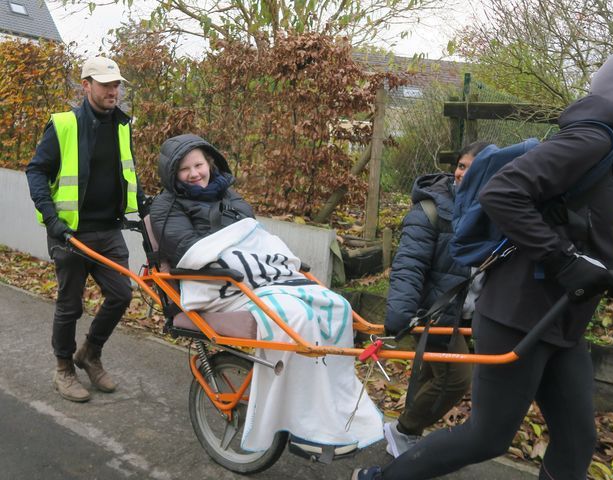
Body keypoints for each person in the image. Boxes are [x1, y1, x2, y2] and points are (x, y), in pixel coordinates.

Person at [352, 50, 613, 480]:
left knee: (577, 439)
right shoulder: (592, 140)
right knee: (487, 436)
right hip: (519, 314)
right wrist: (564, 261)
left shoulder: (612, 150)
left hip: (562, 319)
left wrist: (602, 258)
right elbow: (503, 193)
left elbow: (566, 214)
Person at [150, 133, 383, 453]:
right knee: (294, 317)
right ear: (172, 174)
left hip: (251, 277)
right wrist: (238, 257)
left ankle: (335, 411)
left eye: (199, 165)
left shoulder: (229, 194)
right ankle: (303, 426)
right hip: (215, 284)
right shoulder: (166, 205)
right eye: (185, 169)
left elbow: (252, 236)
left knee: (335, 305)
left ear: (210, 164)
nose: (194, 174)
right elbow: (188, 249)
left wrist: (268, 260)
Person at [26, 56, 146, 403]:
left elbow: (125, 173)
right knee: (70, 305)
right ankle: (64, 369)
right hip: (70, 234)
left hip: (109, 231)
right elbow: (36, 171)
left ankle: (89, 354)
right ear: (86, 86)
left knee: (121, 294)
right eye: (106, 84)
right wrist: (51, 219)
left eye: (116, 84)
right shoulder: (63, 124)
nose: (114, 90)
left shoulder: (122, 125)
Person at [383, 141, 489, 458]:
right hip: (435, 313)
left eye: (472, 168)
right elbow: (409, 264)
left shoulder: (495, 212)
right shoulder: (431, 210)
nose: (461, 173)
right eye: (460, 165)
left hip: (469, 313)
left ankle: (405, 431)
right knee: (455, 378)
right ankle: (403, 430)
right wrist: (401, 314)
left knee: (433, 375)